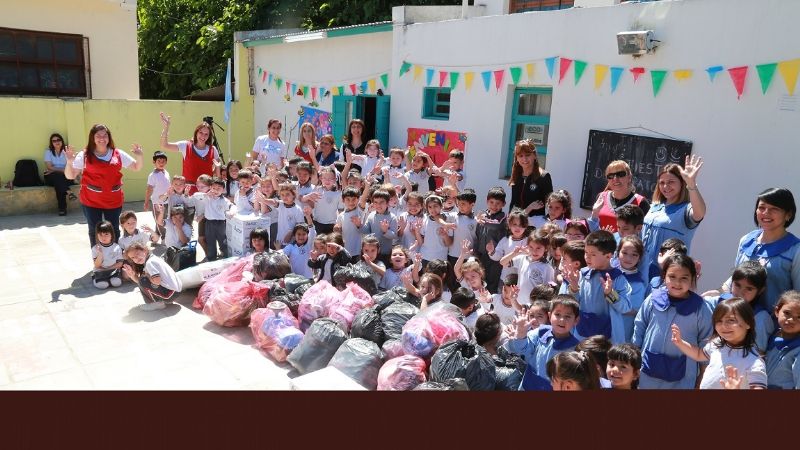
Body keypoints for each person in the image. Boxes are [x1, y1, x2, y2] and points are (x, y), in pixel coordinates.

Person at [633, 254, 713, 389]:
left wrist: (702, 375)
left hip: (683, 376)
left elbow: (706, 345)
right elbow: (639, 327)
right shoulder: (653, 299)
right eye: (672, 277)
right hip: (648, 371)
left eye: (684, 278)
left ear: (693, 279)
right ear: (664, 276)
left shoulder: (701, 308)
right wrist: (634, 359)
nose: (677, 283)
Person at [64, 124, 144, 246]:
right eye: (98, 136)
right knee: (94, 230)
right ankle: (97, 258)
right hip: (91, 200)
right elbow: (70, 176)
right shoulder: (84, 155)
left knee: (113, 229)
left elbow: (136, 167)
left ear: (109, 137)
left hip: (113, 199)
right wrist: (69, 162)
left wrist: (139, 156)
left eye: (105, 135)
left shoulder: (118, 153)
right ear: (93, 138)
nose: (102, 138)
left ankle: (115, 258)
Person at [725, 188, 799, 311]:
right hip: (741, 321)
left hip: (776, 325)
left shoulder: (796, 250)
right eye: (761, 208)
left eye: (774, 209)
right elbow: (737, 278)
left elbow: (798, 296)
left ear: (788, 214)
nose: (766, 213)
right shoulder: (746, 240)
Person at [671, 297, 767, 389]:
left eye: (731, 320)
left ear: (748, 323)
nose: (724, 325)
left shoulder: (754, 361)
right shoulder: (716, 343)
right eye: (719, 321)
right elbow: (698, 354)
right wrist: (680, 342)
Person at [566, 230, 632, 344]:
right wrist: (574, 287)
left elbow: (625, 308)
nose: (587, 257)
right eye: (586, 252)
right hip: (583, 334)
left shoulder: (618, 279)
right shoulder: (582, 274)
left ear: (608, 256)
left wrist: (610, 293)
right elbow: (573, 304)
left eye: (593, 254)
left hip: (608, 338)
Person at [505, 295, 581, 390]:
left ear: (576, 320)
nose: (562, 320)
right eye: (557, 314)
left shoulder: (575, 348)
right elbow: (521, 349)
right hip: (528, 385)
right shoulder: (541, 332)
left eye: (567, 316)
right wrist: (521, 332)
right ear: (549, 316)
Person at [641, 155, 706, 268]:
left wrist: (691, 184)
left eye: (671, 182)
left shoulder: (685, 210)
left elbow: (700, 213)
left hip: (667, 274)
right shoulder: (654, 206)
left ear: (682, 183)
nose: (666, 186)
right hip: (642, 270)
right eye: (662, 182)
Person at [708, 261, 774, 353]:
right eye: (737, 285)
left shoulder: (760, 318)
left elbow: (758, 354)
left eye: (749, 289)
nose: (741, 292)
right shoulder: (718, 302)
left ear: (760, 291)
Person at [159, 113, 221, 195]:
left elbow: (217, 172)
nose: (203, 136)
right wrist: (166, 128)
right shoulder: (185, 145)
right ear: (196, 133)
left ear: (209, 136)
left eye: (206, 134)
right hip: (188, 193)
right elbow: (165, 145)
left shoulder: (213, 150)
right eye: (201, 132)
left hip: (206, 194)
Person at [500, 228, 555, 308]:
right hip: (518, 303)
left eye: (538, 248)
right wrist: (514, 253)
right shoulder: (523, 259)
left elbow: (549, 291)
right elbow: (502, 262)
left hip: (535, 307)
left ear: (546, 248)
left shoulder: (547, 268)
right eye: (531, 247)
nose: (534, 251)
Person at [589, 160, 650, 232]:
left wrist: (614, 238)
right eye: (610, 176)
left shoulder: (641, 202)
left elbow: (643, 233)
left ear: (629, 177)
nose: (615, 179)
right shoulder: (601, 197)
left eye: (620, 174)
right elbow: (592, 226)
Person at [122, 242, 183, 311]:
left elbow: (156, 281)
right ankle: (161, 301)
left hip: (170, 293)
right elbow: (140, 282)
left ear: (145, 250)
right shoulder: (152, 258)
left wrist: (147, 276)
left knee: (143, 280)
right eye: (133, 257)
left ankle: (157, 303)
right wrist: (132, 275)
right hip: (175, 292)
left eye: (137, 254)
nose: (136, 258)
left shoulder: (150, 263)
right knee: (143, 280)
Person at [508, 139, 553, 219]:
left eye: (528, 155)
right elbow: (514, 203)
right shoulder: (516, 175)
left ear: (534, 155)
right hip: (516, 223)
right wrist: (510, 221)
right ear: (516, 158)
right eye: (521, 156)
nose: (524, 159)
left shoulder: (544, 176)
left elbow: (550, 205)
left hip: (535, 224)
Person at [765, 290, 800, 389]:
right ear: (777, 311)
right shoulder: (771, 336)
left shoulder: (798, 350)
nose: (791, 320)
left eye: (799, 317)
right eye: (787, 313)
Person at [617, 235, 648, 342]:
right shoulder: (610, 273)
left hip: (623, 328)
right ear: (618, 253)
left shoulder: (637, 283)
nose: (628, 258)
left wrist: (612, 300)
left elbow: (634, 310)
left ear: (639, 258)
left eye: (634, 255)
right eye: (624, 253)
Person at [199, 177, 233, 261]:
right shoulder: (206, 198)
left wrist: (232, 211)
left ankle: (226, 256)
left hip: (221, 223)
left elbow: (231, 205)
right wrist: (206, 195)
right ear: (210, 188)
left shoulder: (224, 200)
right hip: (209, 223)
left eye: (219, 188)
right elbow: (197, 197)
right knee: (210, 241)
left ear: (223, 190)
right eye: (214, 188)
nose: (216, 190)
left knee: (223, 241)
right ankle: (211, 258)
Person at [42, 132, 75, 216]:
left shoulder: (67, 152)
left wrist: (55, 170)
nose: (57, 142)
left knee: (59, 182)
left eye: (58, 140)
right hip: (51, 177)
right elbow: (49, 167)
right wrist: (63, 170)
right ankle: (68, 192)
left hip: (65, 176)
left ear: (62, 141)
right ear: (51, 143)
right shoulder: (48, 152)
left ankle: (62, 209)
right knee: (58, 177)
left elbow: (71, 165)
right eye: (54, 141)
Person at [144, 151, 171, 240]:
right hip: (157, 203)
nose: (161, 163)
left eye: (163, 161)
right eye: (159, 161)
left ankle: (154, 236)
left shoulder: (166, 172)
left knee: (163, 219)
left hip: (167, 201)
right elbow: (149, 189)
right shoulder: (152, 176)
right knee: (160, 220)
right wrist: (146, 202)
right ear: (154, 162)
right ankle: (164, 238)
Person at [91, 220, 124, 289]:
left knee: (117, 283)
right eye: (100, 235)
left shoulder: (116, 247)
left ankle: (108, 279)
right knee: (103, 285)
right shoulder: (95, 248)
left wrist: (108, 269)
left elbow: (120, 263)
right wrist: (100, 254)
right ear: (97, 235)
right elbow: (97, 265)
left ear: (111, 234)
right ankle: (95, 277)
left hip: (113, 270)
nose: (103, 237)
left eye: (106, 234)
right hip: (100, 271)